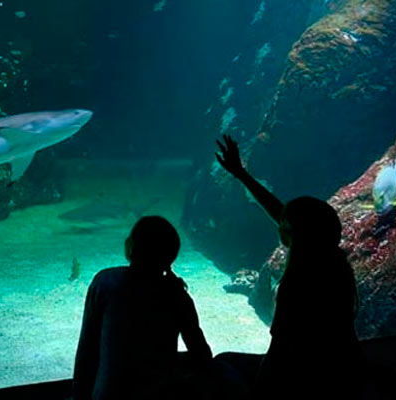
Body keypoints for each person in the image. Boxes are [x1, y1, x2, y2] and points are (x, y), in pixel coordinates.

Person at [215, 135, 364, 398]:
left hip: (298, 380)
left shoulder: (297, 285)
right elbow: (286, 216)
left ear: (289, 235)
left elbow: (281, 351)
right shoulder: (334, 266)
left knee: (222, 364)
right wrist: (242, 175)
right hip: (341, 374)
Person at [73, 216, 212, 400]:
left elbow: (87, 349)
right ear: (171, 256)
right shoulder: (177, 295)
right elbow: (202, 356)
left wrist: (79, 395)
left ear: (131, 247)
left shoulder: (105, 282)